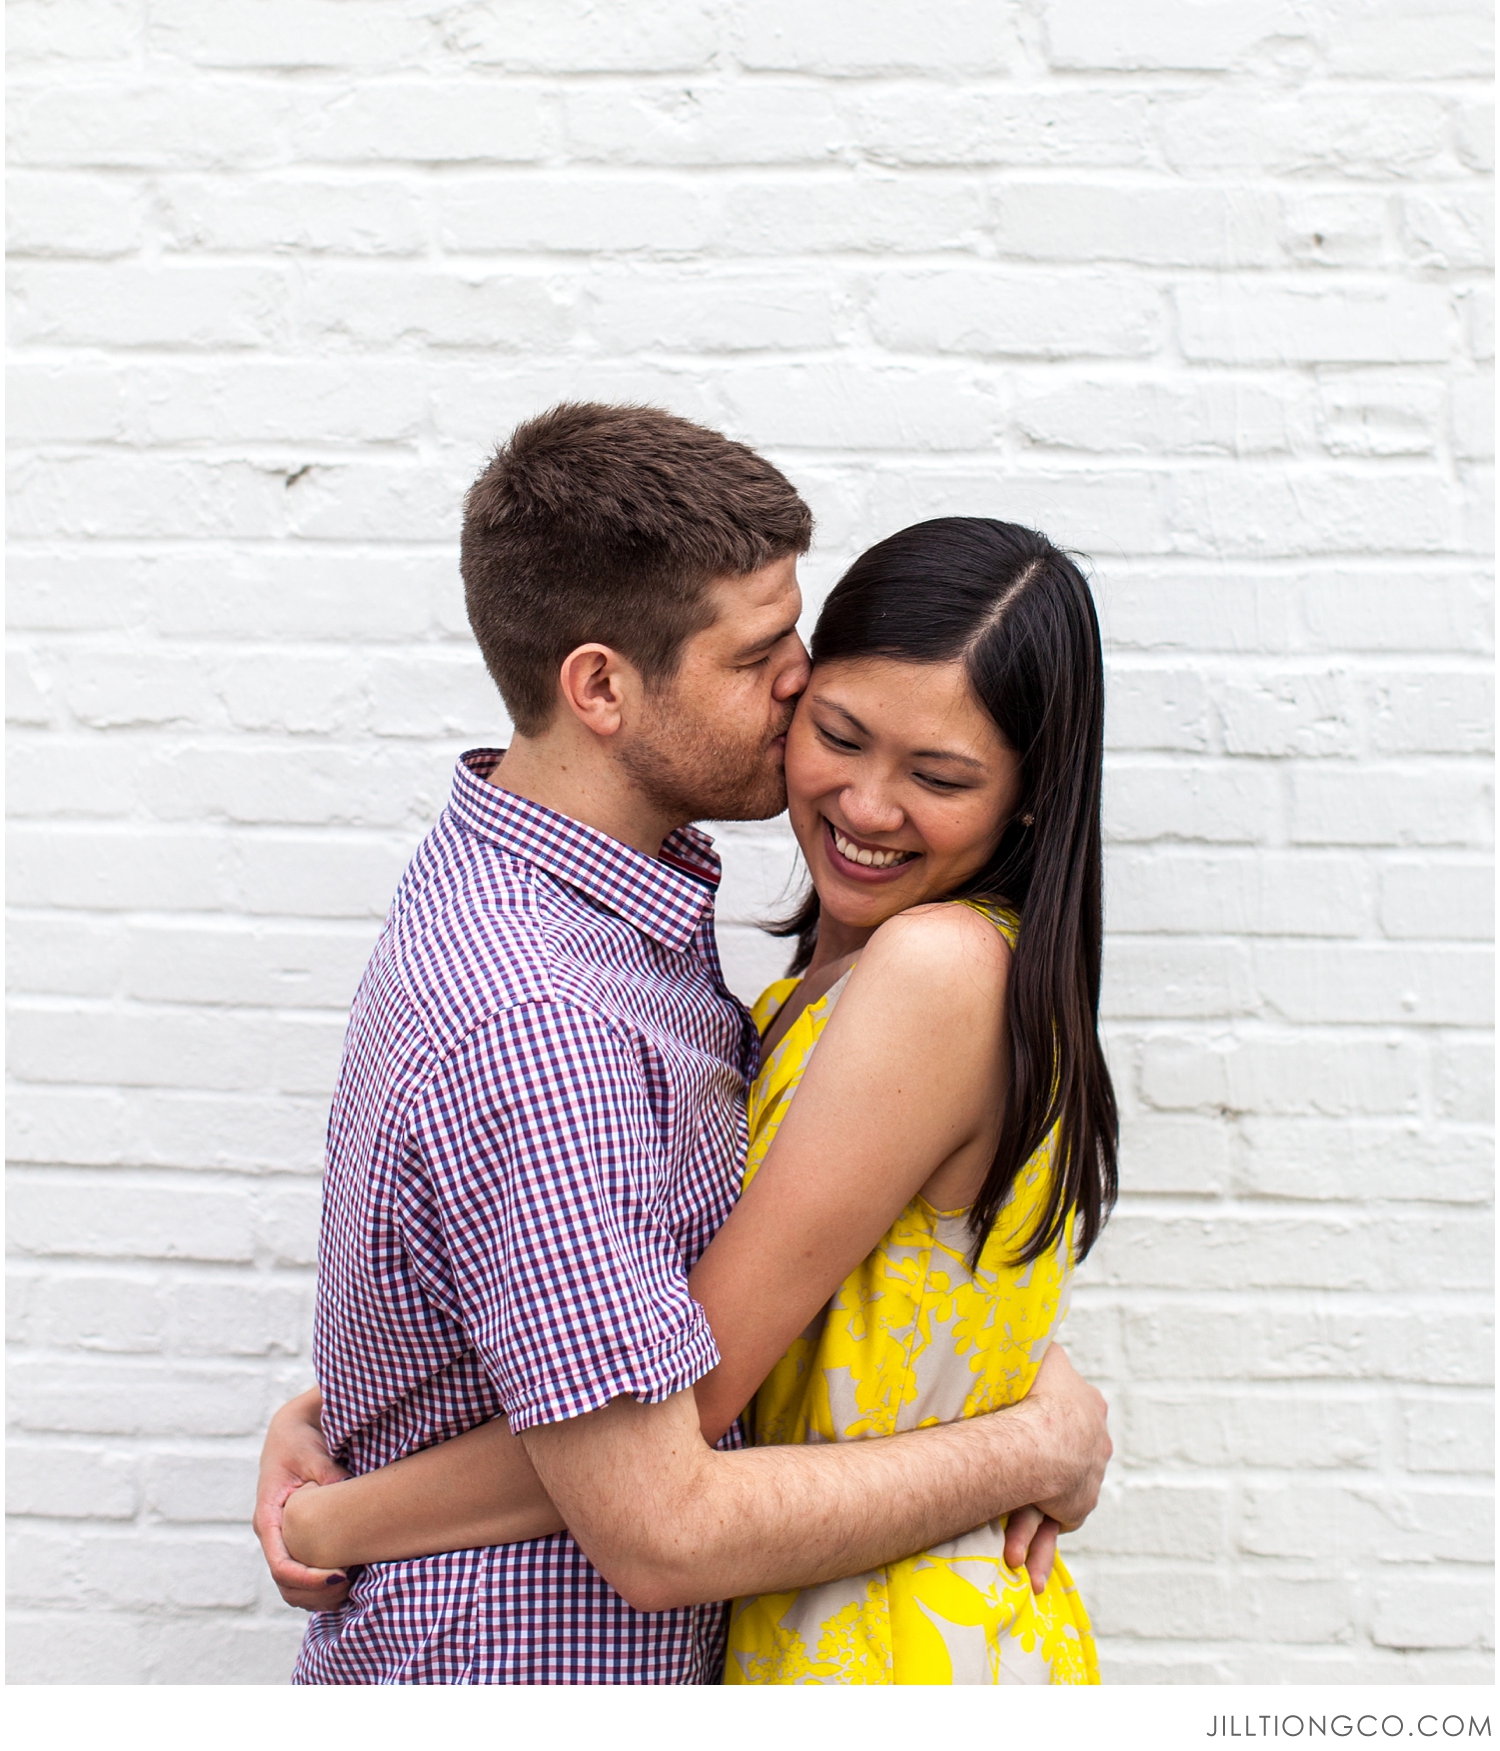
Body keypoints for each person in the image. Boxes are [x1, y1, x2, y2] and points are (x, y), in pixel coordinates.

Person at [255, 404, 1114, 1685]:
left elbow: (715, 1351)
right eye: (786, 672)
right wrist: (347, 1429)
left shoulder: (695, 942)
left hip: (886, 1642)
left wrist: (351, 1485)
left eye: (937, 773)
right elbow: (674, 1431)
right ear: (600, 683)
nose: (800, 695)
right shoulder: (558, 1010)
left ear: (1024, 790)